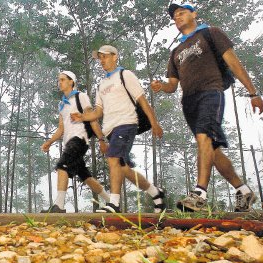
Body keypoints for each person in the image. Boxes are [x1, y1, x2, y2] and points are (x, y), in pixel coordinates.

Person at [151, 3, 263, 212]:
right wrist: (161, 86)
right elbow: (172, 86)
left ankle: (199, 195)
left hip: (211, 92)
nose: (178, 17)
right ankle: (243, 190)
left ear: (194, 14)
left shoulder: (211, 33)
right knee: (211, 148)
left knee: (204, 137)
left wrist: (253, 92)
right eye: (175, 16)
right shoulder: (176, 51)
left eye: (182, 12)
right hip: (189, 101)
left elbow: (233, 62)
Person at [71, 45, 166, 214]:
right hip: (111, 130)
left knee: (113, 158)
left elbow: (142, 101)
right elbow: (98, 112)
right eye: (99, 57)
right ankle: (155, 193)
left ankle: (114, 204)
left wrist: (154, 123)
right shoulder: (101, 85)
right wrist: (82, 117)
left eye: (105, 56)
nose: (101, 60)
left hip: (127, 123)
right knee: (123, 168)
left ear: (115, 57)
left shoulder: (125, 75)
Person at [40, 71, 110, 213]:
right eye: (58, 80)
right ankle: (111, 202)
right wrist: (50, 142)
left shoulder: (81, 96)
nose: (59, 82)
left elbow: (92, 118)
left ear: (71, 81)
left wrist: (102, 139)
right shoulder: (62, 104)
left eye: (63, 80)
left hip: (79, 139)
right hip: (69, 142)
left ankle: (59, 206)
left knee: (62, 166)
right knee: (86, 177)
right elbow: (61, 128)